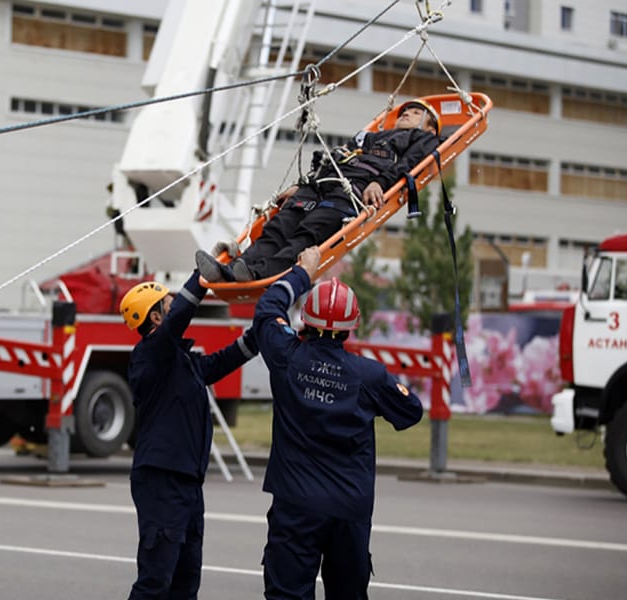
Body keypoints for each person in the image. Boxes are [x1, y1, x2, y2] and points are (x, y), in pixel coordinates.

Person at [251, 247, 423, 600]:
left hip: (295, 505)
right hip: (349, 509)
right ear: (352, 326)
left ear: (306, 321)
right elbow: (411, 411)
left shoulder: (287, 357)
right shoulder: (369, 376)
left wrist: (303, 271)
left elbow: (267, 309)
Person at [120, 270, 258, 599]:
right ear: (156, 315)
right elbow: (179, 317)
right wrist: (202, 278)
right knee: (155, 581)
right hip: (162, 481)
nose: (175, 306)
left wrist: (258, 335)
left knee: (185, 582)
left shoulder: (180, 361)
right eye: (168, 303)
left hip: (187, 483)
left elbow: (220, 362)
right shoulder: (150, 355)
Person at [196, 99, 441, 283]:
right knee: (278, 228)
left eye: (417, 112)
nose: (406, 113)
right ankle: (232, 269)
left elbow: (410, 165)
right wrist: (301, 185)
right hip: (320, 184)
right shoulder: (367, 138)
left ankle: (256, 272)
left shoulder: (421, 139)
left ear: (430, 128)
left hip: (352, 192)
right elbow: (334, 158)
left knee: (306, 236)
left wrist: (381, 183)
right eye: (404, 112)